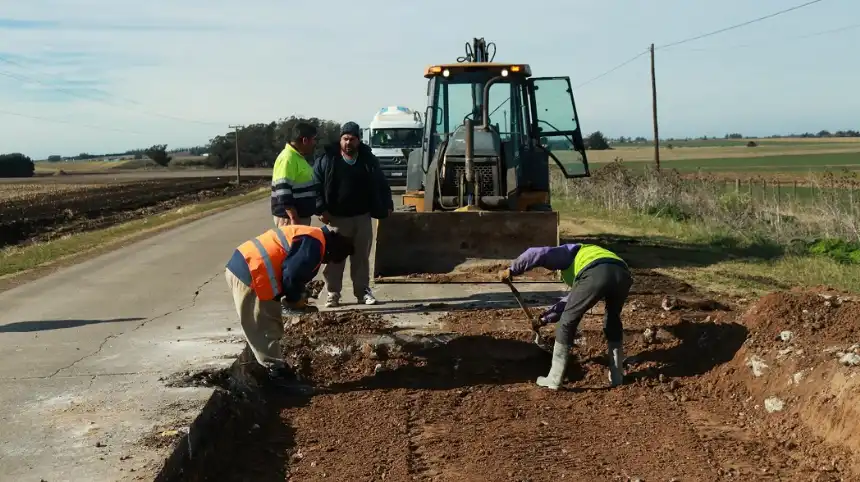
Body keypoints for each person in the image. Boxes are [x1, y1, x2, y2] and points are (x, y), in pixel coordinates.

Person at [224, 225, 353, 385]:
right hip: (253, 272)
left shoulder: (312, 235)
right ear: (333, 249)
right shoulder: (314, 244)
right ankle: (277, 374)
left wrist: (297, 294)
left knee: (267, 322)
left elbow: (290, 268)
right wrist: (294, 300)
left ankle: (272, 366)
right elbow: (291, 275)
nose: (326, 261)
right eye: (330, 258)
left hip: (247, 264)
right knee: (264, 325)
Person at [499, 243, 633, 390]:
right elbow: (569, 302)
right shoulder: (592, 254)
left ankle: (554, 379)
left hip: (596, 272)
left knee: (567, 322)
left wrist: (512, 270)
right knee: (612, 319)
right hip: (623, 274)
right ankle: (617, 376)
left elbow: (537, 253)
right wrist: (544, 318)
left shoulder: (569, 253)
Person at [313, 121, 394, 307]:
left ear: (358, 140)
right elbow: (316, 186)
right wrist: (321, 209)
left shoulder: (368, 160)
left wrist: (386, 203)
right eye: (345, 139)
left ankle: (362, 291)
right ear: (340, 140)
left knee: (361, 258)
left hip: (362, 217)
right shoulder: (327, 160)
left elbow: (382, 184)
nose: (348, 143)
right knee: (335, 258)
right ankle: (333, 293)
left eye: (352, 139)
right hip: (336, 219)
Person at [271, 122, 318, 226]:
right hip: (290, 219)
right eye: (314, 139)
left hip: (299, 217)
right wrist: (293, 217)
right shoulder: (288, 158)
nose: (315, 143)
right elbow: (283, 191)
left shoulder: (298, 157)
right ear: (305, 140)